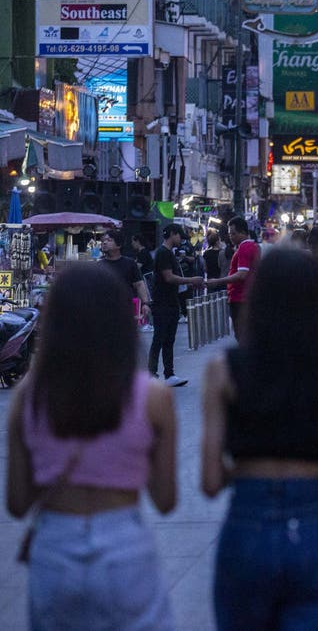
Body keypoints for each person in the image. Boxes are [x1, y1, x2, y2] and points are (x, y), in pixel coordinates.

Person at [201, 248, 318, 630]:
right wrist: (315, 457)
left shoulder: (223, 370)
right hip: (315, 525)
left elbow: (211, 481)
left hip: (246, 524)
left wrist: (251, 460)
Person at [6, 264, 178, 629]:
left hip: (54, 543)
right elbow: (165, 499)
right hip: (124, 541)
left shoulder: (29, 397)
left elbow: (18, 504)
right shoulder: (153, 398)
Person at [149, 224, 204, 387]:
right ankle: (152, 373)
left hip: (171, 301)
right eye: (179, 236)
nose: (181, 240)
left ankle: (169, 374)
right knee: (159, 338)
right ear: (172, 234)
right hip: (163, 303)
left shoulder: (167, 253)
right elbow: (168, 277)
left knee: (168, 339)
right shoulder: (164, 253)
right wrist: (190, 280)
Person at [204, 216, 260, 342]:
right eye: (230, 234)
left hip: (240, 298)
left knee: (242, 337)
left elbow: (241, 274)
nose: (231, 236)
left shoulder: (245, 248)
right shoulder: (251, 247)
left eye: (233, 234)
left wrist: (217, 281)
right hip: (243, 297)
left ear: (243, 232)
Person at [98, 230, 151, 325]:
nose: (104, 243)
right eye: (103, 240)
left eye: (109, 240)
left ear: (119, 245)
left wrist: (145, 304)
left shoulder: (130, 264)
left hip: (126, 309)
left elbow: (139, 284)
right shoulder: (99, 265)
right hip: (104, 311)